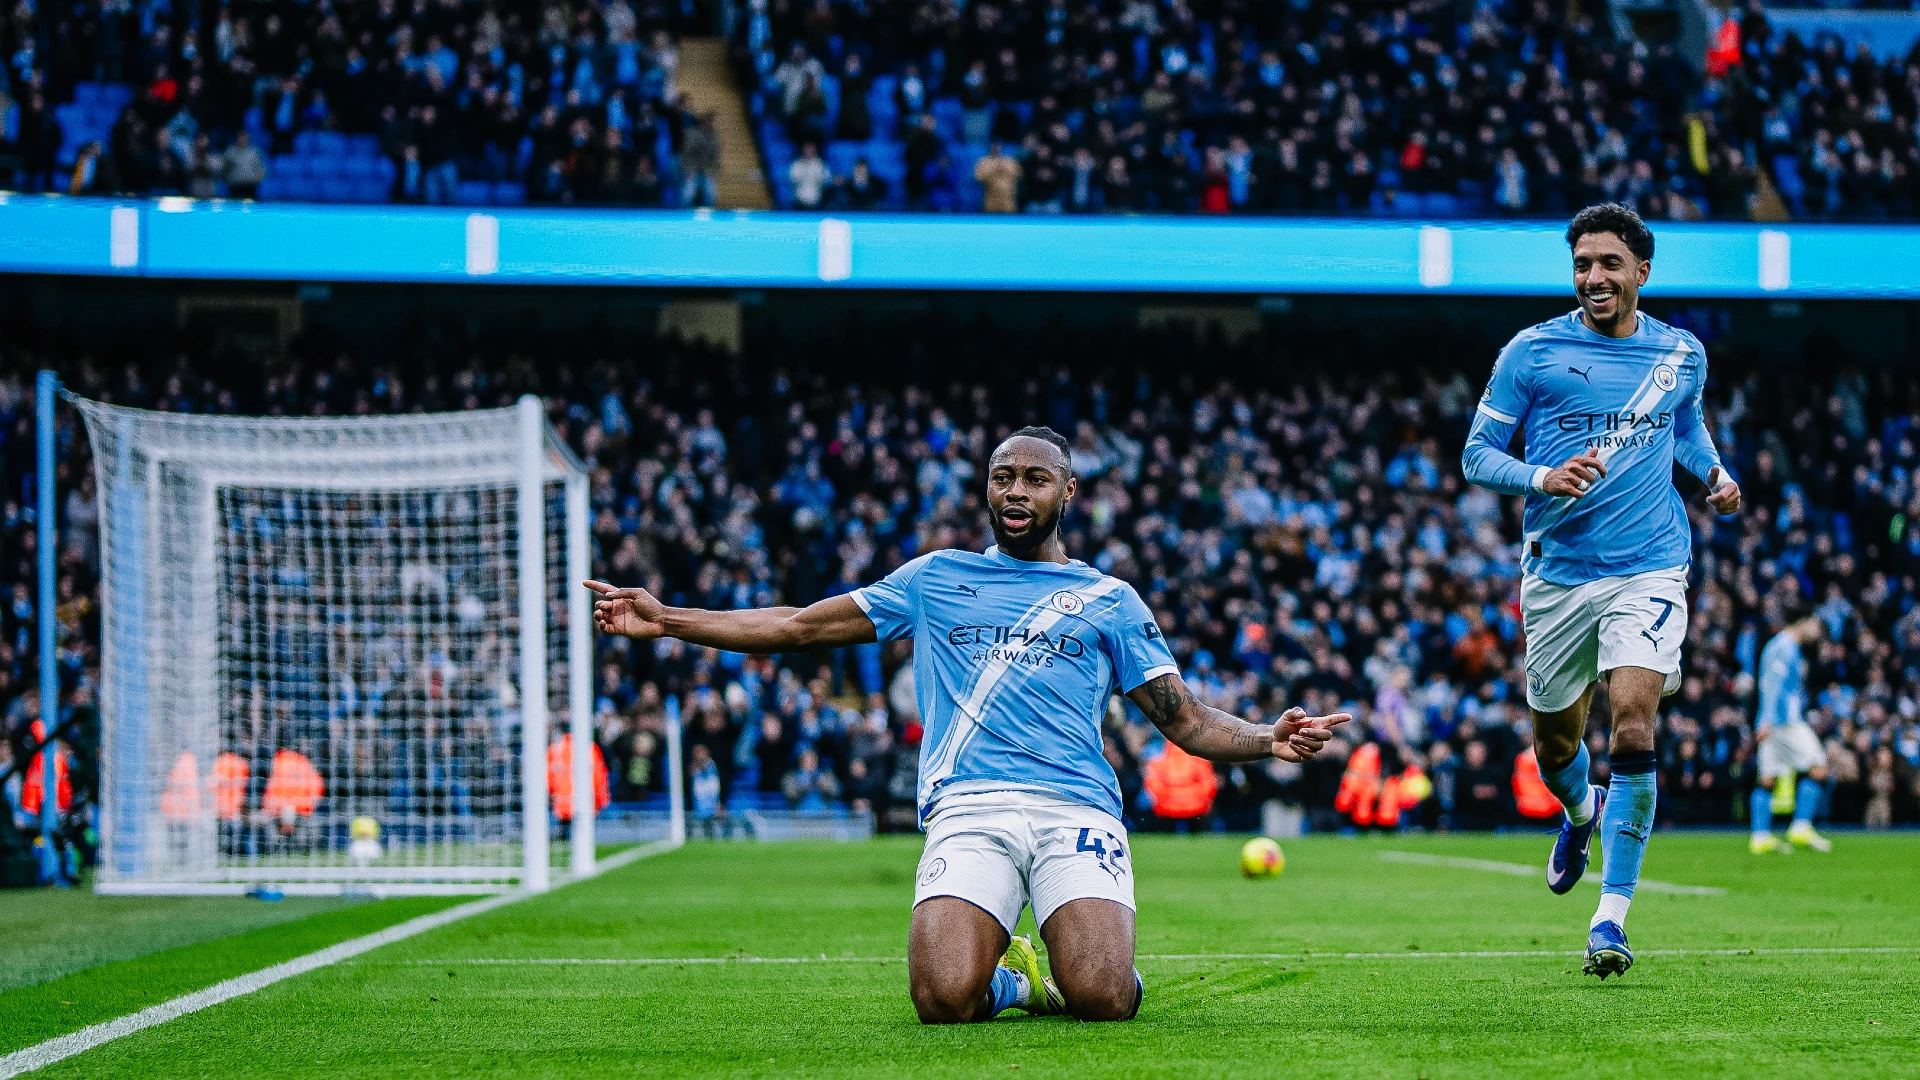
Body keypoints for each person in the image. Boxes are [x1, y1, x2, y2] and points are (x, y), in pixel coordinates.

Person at [588, 426, 1348, 1023]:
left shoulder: (1111, 600)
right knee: (943, 1000)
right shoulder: (936, 578)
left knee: (1105, 1000)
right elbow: (797, 626)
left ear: (1068, 491)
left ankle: (1072, 967)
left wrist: (1264, 738)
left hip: (1074, 807)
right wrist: (672, 620)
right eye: (1003, 477)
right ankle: (1012, 980)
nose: (1015, 490)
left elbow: (1183, 721)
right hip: (969, 806)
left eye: (1035, 478)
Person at [1461, 203, 1742, 979]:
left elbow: (1683, 426)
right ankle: (1579, 811)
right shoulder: (1533, 351)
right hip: (1556, 576)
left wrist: (1712, 474)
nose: (1594, 278)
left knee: (1632, 726)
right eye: (1583, 264)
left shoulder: (1681, 354)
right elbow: (1476, 455)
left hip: (1650, 565)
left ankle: (1610, 919)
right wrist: (1540, 476)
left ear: (1641, 272)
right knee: (1558, 747)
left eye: (1610, 264)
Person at [1750, 608, 1833, 854]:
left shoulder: (1779, 646)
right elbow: (1772, 685)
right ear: (1803, 622)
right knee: (1819, 768)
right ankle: (1801, 827)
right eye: (1816, 625)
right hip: (1784, 721)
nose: (1817, 632)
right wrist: (1766, 719)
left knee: (1767, 780)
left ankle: (1760, 837)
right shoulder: (1785, 647)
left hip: (1773, 720)